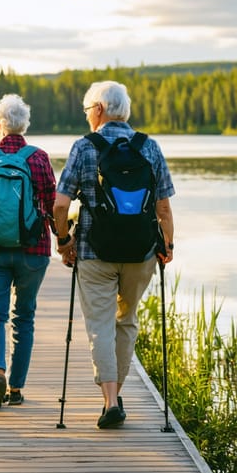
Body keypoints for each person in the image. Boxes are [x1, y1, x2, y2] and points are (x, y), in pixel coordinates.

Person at [52, 80, 175, 429]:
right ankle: (116, 395)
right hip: (142, 251)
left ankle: (109, 402)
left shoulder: (84, 147)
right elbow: (163, 206)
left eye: (89, 110)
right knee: (127, 321)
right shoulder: (148, 146)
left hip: (95, 250)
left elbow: (61, 204)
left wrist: (64, 241)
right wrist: (167, 245)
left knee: (100, 327)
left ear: (100, 110)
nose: (88, 116)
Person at [0, 94, 56, 412]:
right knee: (24, 317)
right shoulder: (39, 157)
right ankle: (15, 388)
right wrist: (63, 238)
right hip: (34, 250)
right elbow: (51, 202)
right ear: (24, 125)